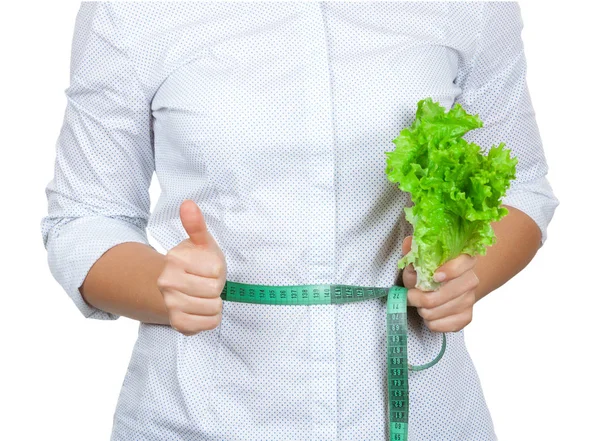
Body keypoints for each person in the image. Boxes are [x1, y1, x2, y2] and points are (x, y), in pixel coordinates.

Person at [40, 2, 559, 440]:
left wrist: (463, 276)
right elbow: (84, 216)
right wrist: (161, 284)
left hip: (422, 412)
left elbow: (521, 184)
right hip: (199, 415)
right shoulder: (134, 12)